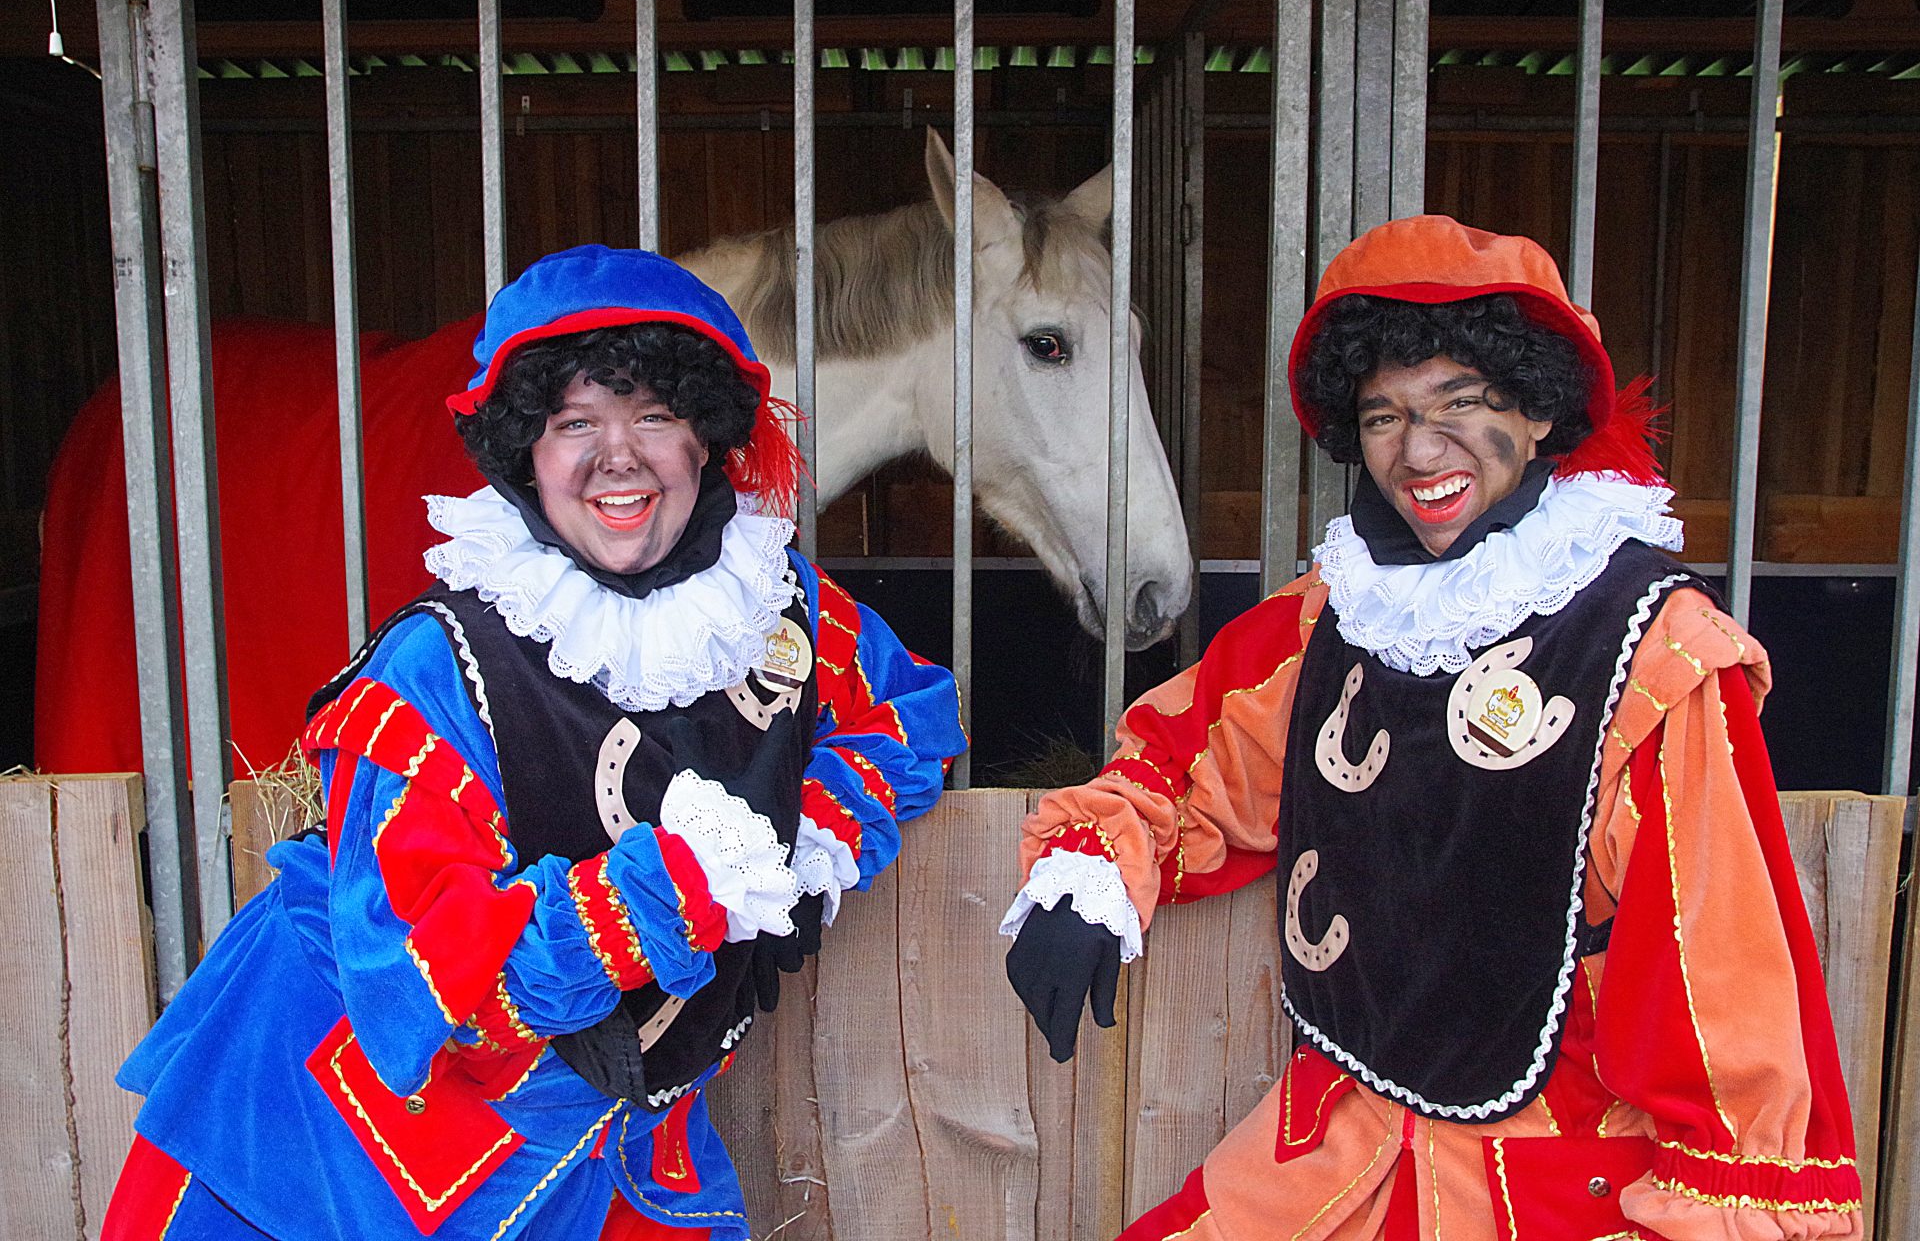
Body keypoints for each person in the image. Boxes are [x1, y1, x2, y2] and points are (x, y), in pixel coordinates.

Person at [1002, 216, 1863, 1240]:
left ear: (1536, 411)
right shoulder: (1335, 616)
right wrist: (1093, 869)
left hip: (1558, 1162)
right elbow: (1190, 764)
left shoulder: (1653, 646)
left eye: (1460, 402)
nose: (1418, 450)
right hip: (1339, 1136)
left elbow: (1717, 964)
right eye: (1384, 415)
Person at [102, 245, 967, 1241]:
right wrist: (672, 888)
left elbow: (912, 714)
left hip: (606, 1124)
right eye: (573, 423)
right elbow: (431, 986)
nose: (618, 456)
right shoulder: (431, 670)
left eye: (654, 415)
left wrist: (807, 835)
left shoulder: (777, 605)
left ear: (705, 437)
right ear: (527, 452)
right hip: (339, 1141)